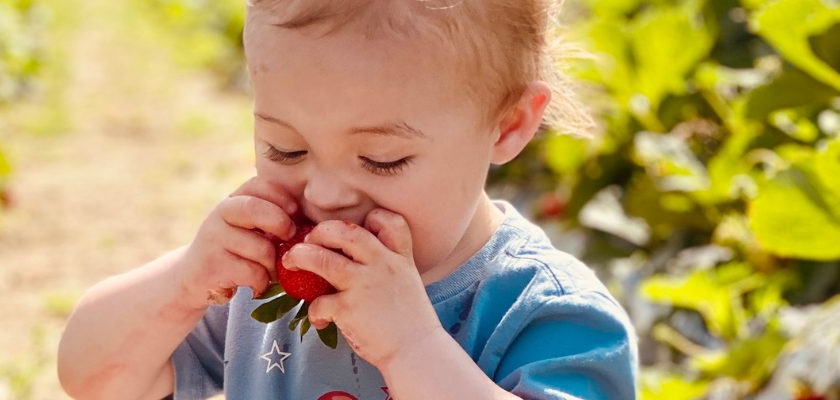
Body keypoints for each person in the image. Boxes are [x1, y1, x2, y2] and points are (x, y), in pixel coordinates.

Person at [58, 0, 639, 398]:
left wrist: (412, 346)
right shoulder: (263, 285)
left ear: (508, 126)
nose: (325, 195)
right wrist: (182, 283)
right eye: (285, 148)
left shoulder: (545, 312)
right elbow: (92, 377)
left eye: (382, 160)